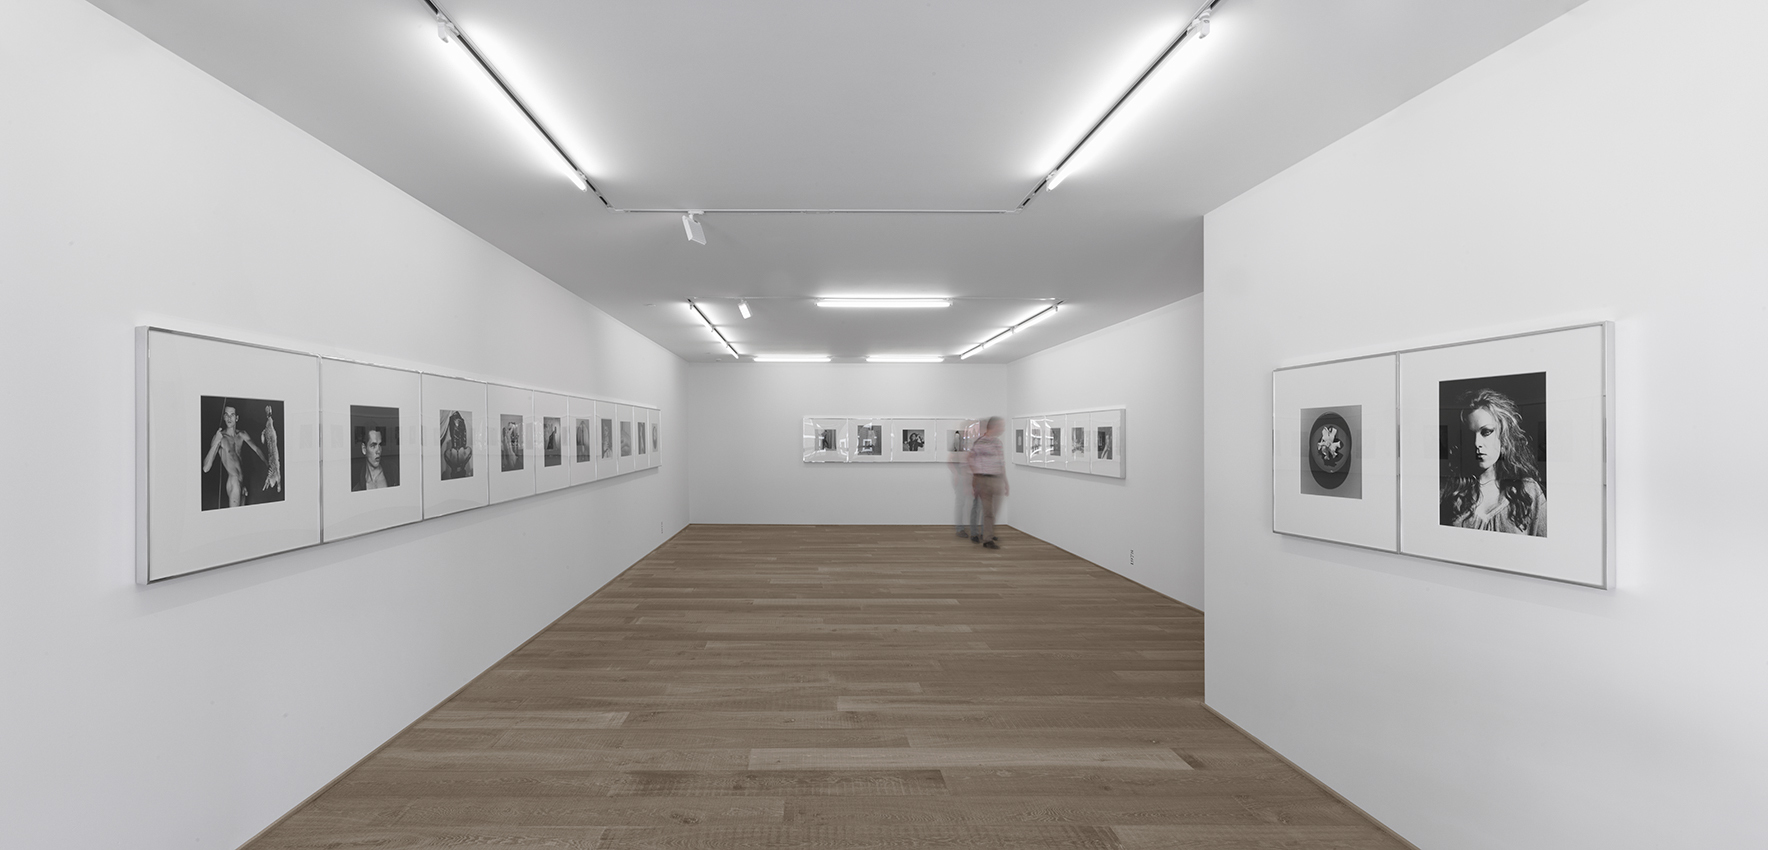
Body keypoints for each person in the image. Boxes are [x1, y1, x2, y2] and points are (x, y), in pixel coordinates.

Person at [1440, 388, 1547, 536]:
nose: (1477, 443)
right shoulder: (1447, 492)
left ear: (1503, 435)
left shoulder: (1528, 491)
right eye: (1469, 435)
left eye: (1486, 432)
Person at [202, 403, 268, 508]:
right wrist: (215, 442)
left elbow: (256, 449)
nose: (229, 418)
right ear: (224, 417)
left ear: (236, 418)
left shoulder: (242, 434)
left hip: (242, 483)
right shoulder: (221, 438)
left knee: (242, 516)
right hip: (234, 482)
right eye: (227, 415)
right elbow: (206, 468)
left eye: (232, 415)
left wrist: (268, 465)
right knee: (234, 516)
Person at [968, 416, 1009, 549]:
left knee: (993, 511)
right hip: (984, 480)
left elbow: (1001, 463)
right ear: (994, 426)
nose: (1003, 429)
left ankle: (988, 535)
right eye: (1001, 426)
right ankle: (987, 539)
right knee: (988, 512)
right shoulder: (980, 442)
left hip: (996, 479)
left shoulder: (998, 442)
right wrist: (976, 480)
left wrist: (1005, 482)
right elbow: (971, 459)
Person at [949, 426, 980, 539]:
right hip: (962, 477)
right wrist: (956, 474)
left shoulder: (972, 445)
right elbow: (950, 461)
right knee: (961, 502)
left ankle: (973, 529)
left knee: (973, 504)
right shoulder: (959, 447)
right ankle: (960, 529)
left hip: (972, 477)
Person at [357, 425, 394, 490]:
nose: (378, 451)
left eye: (380, 445)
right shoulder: (358, 485)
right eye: (373, 446)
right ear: (364, 449)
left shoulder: (393, 472)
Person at [440, 410, 473, 480]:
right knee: (456, 420)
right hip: (458, 437)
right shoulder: (452, 461)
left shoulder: (463, 460)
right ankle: (455, 415)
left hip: (459, 437)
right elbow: (447, 453)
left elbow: (469, 450)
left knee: (456, 420)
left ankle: (455, 415)